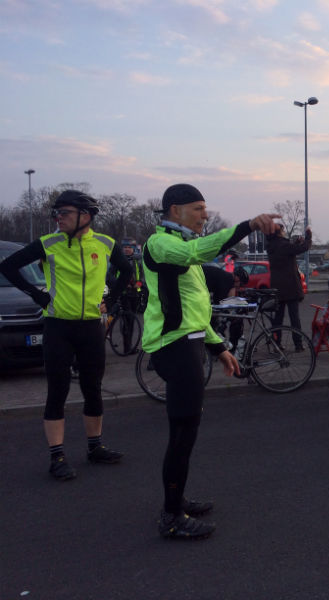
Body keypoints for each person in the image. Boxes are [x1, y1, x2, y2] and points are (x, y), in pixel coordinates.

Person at [142, 183, 280, 539]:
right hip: (173, 346)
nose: (205, 215)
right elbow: (198, 252)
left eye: (205, 209)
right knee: (182, 434)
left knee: (186, 432)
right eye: (198, 209)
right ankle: (172, 516)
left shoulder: (182, 246)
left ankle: (176, 500)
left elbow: (195, 310)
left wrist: (219, 348)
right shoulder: (161, 244)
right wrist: (247, 226)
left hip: (187, 343)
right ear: (175, 211)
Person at [0, 190, 132, 480]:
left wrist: (111, 300)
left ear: (85, 216)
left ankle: (95, 447)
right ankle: (57, 456)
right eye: (56, 213)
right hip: (58, 326)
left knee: (92, 388)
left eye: (65, 213)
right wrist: (37, 295)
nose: (58, 218)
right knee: (57, 390)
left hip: (91, 327)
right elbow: (7, 266)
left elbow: (127, 270)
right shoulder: (49, 243)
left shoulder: (105, 243)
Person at [266, 223, 312, 351]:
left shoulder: (271, 246)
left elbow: (288, 251)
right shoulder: (283, 245)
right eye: (283, 230)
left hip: (277, 287)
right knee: (294, 318)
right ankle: (298, 344)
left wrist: (295, 243)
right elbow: (304, 247)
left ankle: (277, 344)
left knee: (278, 318)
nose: (284, 231)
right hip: (290, 287)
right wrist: (308, 236)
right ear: (279, 232)